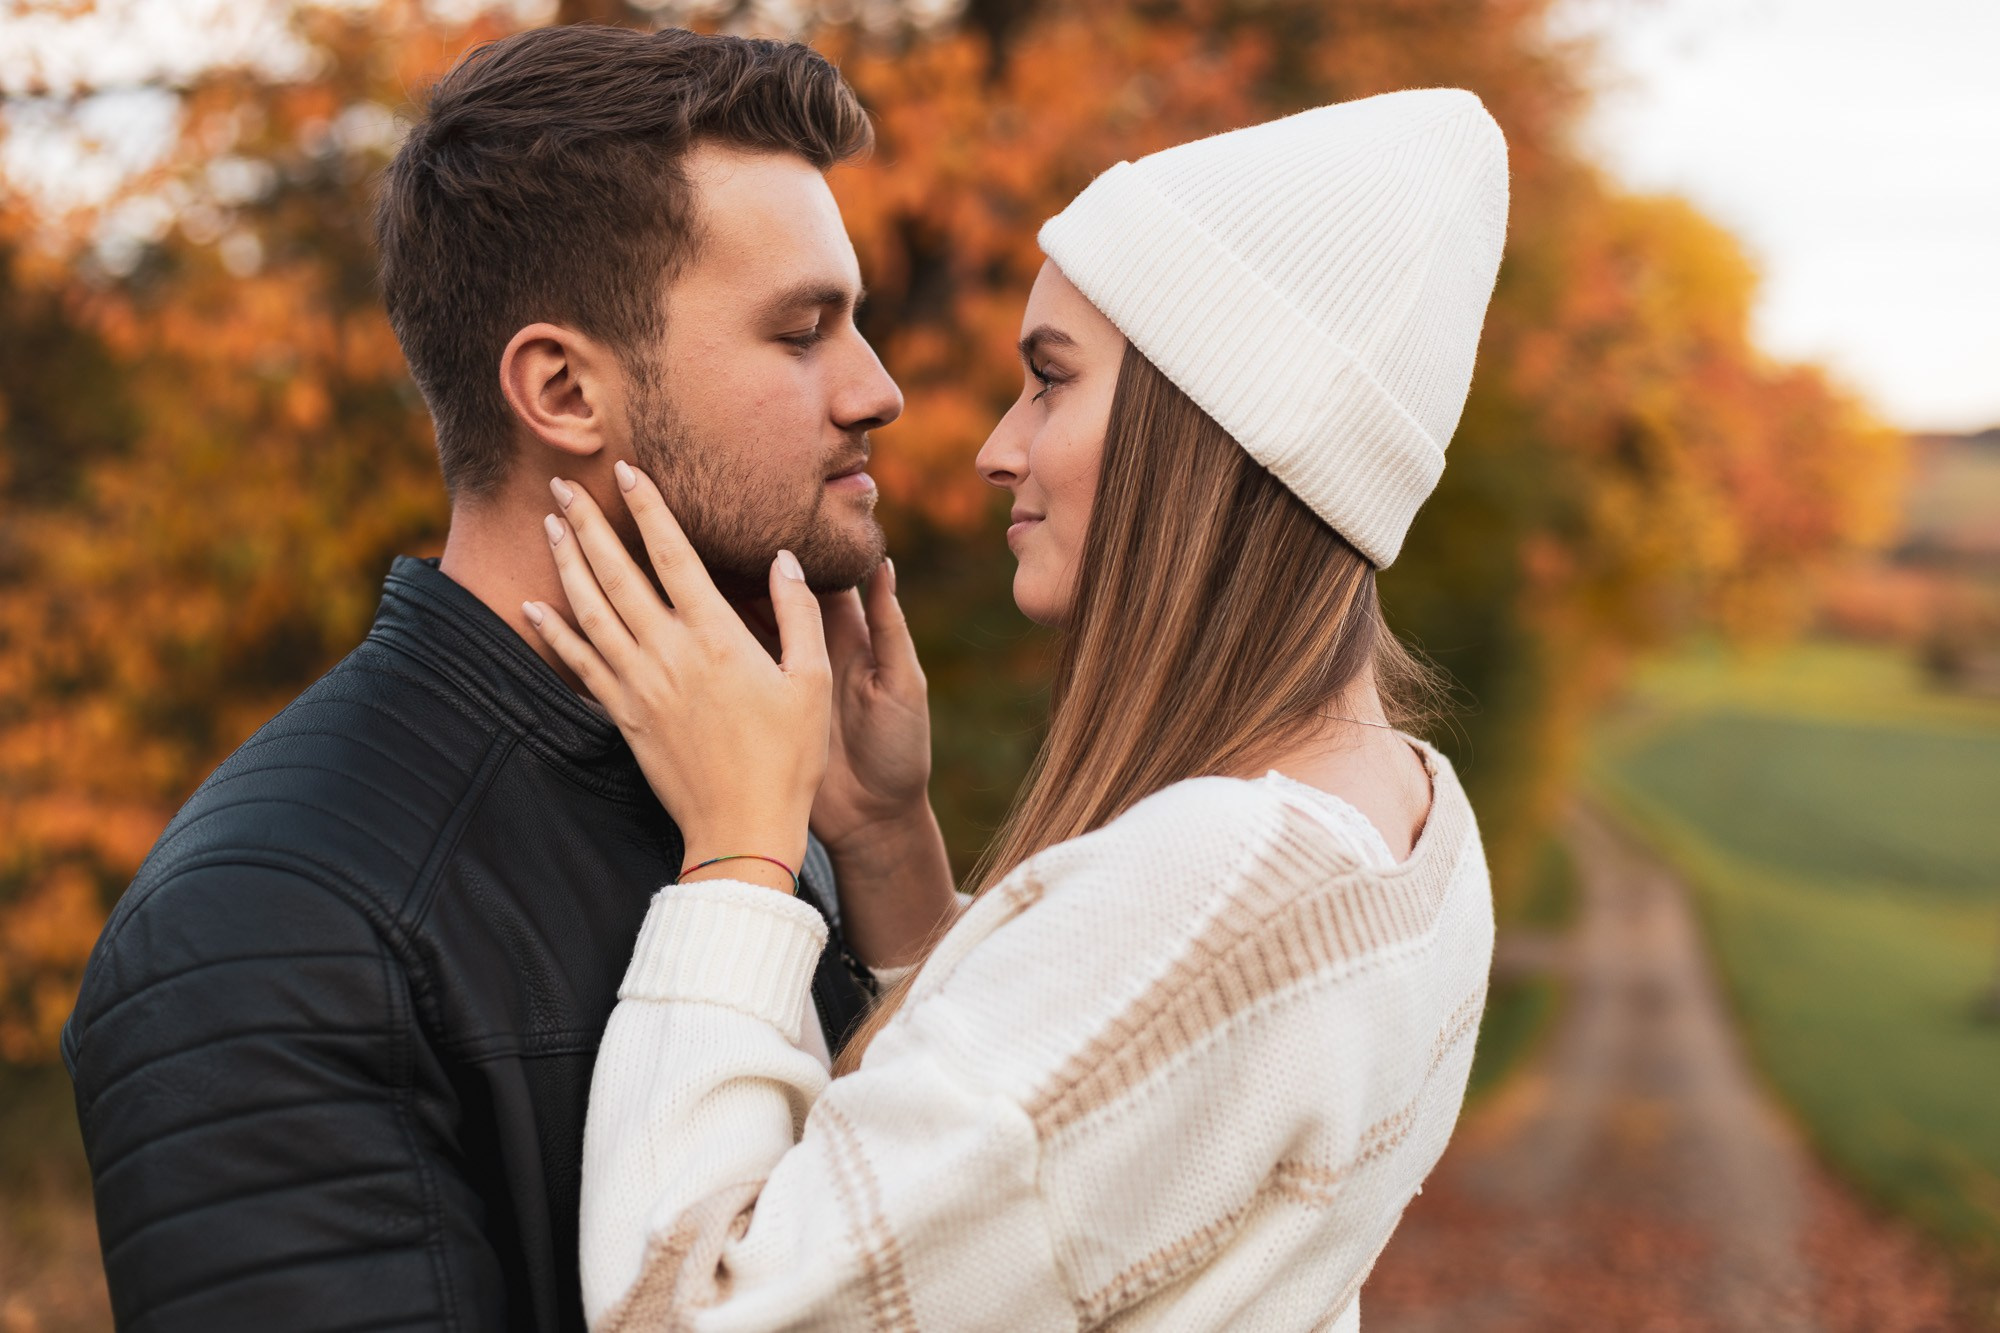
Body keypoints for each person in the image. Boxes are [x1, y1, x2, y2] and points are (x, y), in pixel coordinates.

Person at [541, 89, 1510, 1329]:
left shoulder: (1220, 881)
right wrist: (889, 840)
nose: (998, 447)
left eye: (1050, 381)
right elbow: (1066, 1160)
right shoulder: (1416, 816)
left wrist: (738, 848)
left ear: (1205, 427)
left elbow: (696, 1313)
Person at [59, 27, 935, 1332]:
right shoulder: (271, 924)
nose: (880, 390)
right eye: (804, 332)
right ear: (565, 389)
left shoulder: (752, 785)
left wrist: (881, 855)